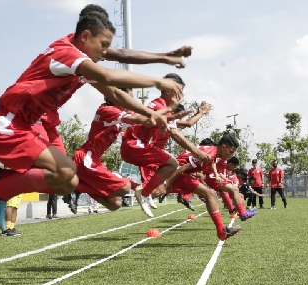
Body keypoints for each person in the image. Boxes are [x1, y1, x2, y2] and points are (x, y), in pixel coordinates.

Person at [0, 7, 185, 232]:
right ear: (86, 36)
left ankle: (4, 182)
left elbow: (117, 89)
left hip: (31, 126)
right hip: (9, 124)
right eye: (103, 45)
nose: (106, 53)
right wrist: (158, 82)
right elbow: (108, 76)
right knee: (68, 173)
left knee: (68, 182)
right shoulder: (66, 53)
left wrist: (163, 60)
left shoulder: (82, 55)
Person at [120, 74, 210, 217]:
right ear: (168, 90)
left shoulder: (165, 110)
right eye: (179, 90)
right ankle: (144, 193)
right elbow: (175, 133)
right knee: (172, 164)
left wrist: (201, 113)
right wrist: (196, 151)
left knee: (167, 170)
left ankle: (144, 192)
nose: (182, 95)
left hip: (139, 148)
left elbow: (187, 124)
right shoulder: (159, 106)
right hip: (136, 146)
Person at [72, 87, 162, 213]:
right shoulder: (108, 110)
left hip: (94, 160)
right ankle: (77, 187)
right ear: (116, 98)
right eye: (128, 99)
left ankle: (79, 187)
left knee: (115, 204)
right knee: (124, 187)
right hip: (86, 158)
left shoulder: (119, 113)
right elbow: (141, 119)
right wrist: (164, 115)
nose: (131, 103)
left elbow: (142, 120)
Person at [160, 134, 250, 241]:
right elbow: (183, 167)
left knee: (210, 194)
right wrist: (166, 185)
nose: (231, 155)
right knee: (210, 194)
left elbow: (211, 163)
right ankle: (222, 232)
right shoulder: (208, 154)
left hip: (185, 173)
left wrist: (216, 174)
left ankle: (222, 231)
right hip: (179, 172)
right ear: (224, 147)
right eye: (231, 151)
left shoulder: (213, 152)